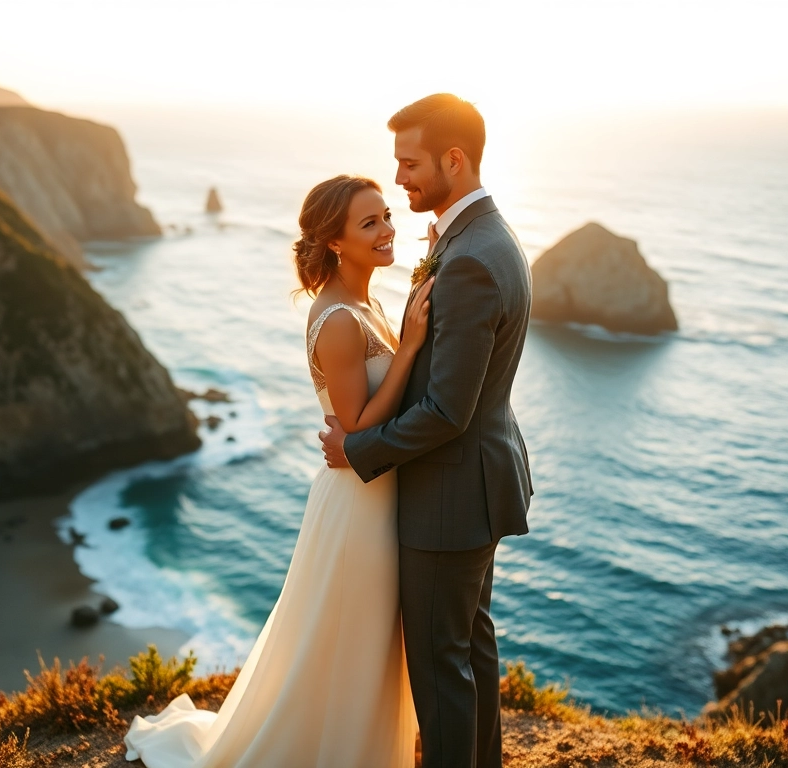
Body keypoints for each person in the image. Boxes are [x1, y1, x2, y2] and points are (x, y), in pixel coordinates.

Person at [123, 174, 433, 766]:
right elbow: (357, 427)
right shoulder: (339, 320)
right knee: (356, 638)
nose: (387, 230)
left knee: (364, 641)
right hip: (358, 504)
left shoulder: (367, 305)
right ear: (335, 241)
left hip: (379, 492)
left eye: (387, 216)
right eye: (369, 223)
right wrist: (412, 348)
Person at [320, 93, 534, 768]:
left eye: (410, 164)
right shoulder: (482, 237)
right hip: (477, 484)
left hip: (448, 497)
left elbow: (447, 411)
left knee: (442, 670)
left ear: (454, 160)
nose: (400, 178)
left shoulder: (467, 258)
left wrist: (357, 449)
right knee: (469, 650)